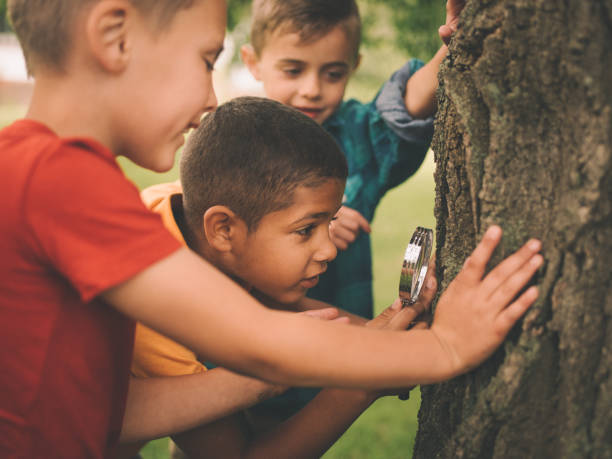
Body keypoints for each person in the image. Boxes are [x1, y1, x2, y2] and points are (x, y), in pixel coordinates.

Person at [0, 0, 542, 457]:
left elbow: (112, 408)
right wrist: (445, 348)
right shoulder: (59, 179)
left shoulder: (34, 171)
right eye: (206, 58)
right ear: (115, 38)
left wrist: (375, 347)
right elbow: (259, 344)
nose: (213, 98)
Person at [120, 96, 437, 459]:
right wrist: (358, 386)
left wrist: (391, 341)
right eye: (306, 230)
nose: (329, 250)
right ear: (223, 229)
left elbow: (271, 303)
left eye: (329, 222)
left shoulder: (193, 215)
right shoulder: (155, 318)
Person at [239, 0, 468, 422]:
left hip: (329, 376)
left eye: (333, 73)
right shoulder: (235, 145)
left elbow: (402, 112)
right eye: (293, 70)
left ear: (354, 64)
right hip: (240, 376)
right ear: (252, 61)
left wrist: (455, 45)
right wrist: (312, 221)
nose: (312, 88)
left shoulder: (356, 137)